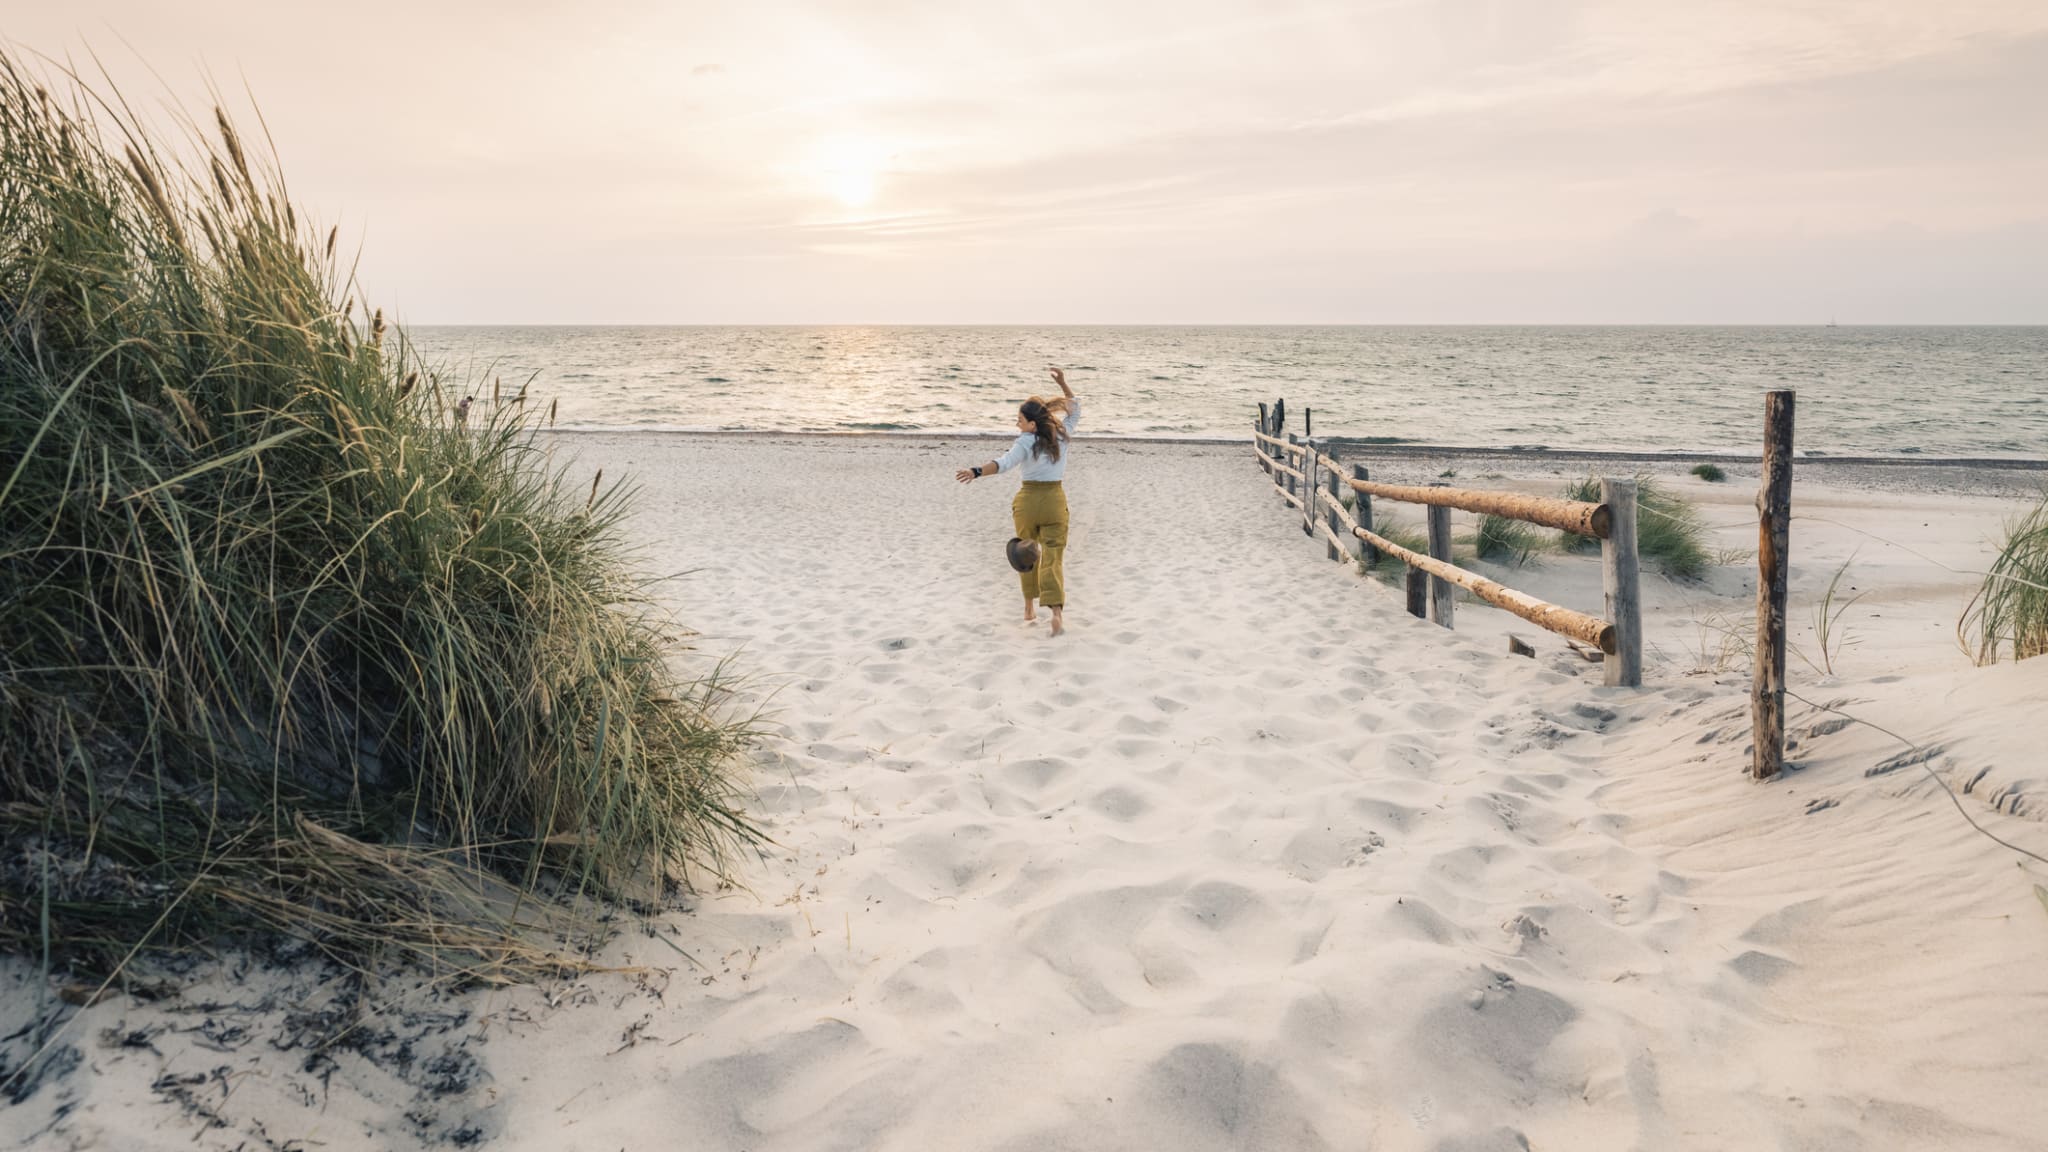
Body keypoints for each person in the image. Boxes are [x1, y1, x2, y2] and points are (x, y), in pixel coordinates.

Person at [956, 368, 1080, 637]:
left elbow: (1003, 464)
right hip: (1054, 501)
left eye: (1020, 420)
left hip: (1027, 502)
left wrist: (976, 471)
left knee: (1026, 554)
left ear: (1032, 425)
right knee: (1053, 556)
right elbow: (1075, 409)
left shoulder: (1024, 442)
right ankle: (1056, 613)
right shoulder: (1062, 436)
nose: (1017, 425)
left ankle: (1028, 609)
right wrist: (1063, 383)